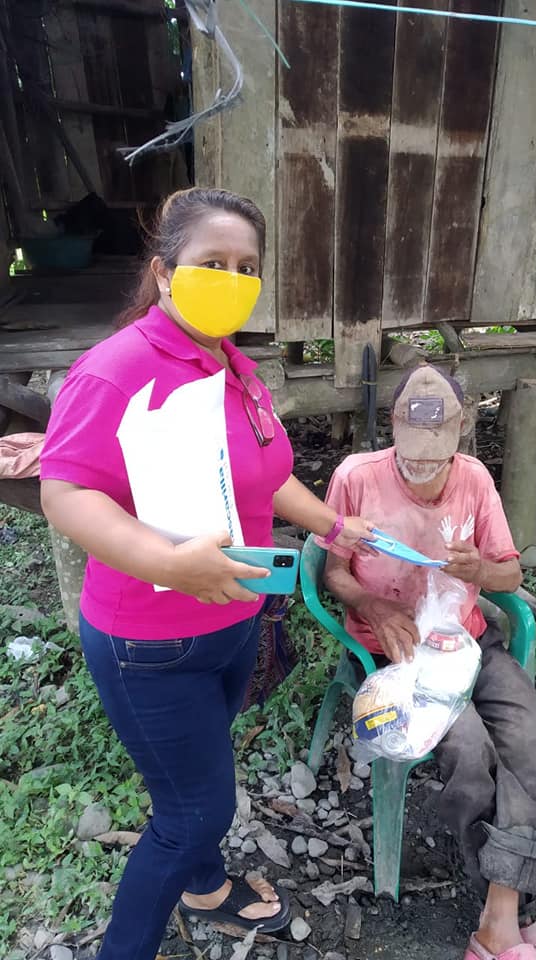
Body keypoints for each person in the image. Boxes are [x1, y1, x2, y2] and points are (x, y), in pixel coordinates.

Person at [40, 187, 374, 960]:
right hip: (149, 645)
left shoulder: (232, 366)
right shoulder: (116, 370)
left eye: (246, 267)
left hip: (230, 622)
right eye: (212, 262)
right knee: (193, 813)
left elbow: (267, 474)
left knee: (195, 775)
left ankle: (205, 890)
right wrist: (167, 563)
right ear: (164, 272)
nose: (232, 279)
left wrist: (335, 525)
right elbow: (65, 493)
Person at [322, 365, 536, 960]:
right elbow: (334, 573)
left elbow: (510, 574)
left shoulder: (474, 479)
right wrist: (374, 606)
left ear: (460, 432)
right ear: (392, 427)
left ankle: (500, 916)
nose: (421, 467)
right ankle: (510, 913)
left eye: (435, 456)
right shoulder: (357, 477)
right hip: (395, 652)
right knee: (470, 751)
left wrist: (480, 570)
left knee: (530, 739)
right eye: (410, 455)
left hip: (468, 641)